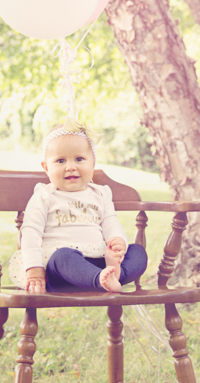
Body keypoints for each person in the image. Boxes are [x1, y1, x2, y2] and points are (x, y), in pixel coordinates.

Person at [20, 118, 148, 294]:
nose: (70, 167)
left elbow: (111, 223)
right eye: (60, 161)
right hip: (62, 271)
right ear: (46, 167)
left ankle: (114, 275)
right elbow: (30, 233)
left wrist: (118, 242)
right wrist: (34, 271)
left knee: (138, 252)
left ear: (93, 164)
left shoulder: (100, 194)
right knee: (63, 256)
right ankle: (100, 280)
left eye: (79, 159)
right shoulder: (44, 195)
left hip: (99, 262)